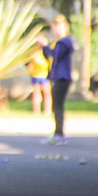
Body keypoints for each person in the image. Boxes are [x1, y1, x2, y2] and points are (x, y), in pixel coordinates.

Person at [39, 14, 74, 145]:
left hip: (62, 77)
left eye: (58, 26)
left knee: (58, 106)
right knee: (57, 106)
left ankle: (59, 134)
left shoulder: (64, 42)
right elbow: (50, 56)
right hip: (59, 77)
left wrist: (45, 46)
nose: (55, 29)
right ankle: (58, 133)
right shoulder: (61, 42)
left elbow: (54, 55)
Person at [27, 41, 52, 116]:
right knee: (47, 94)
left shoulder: (34, 55)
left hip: (36, 76)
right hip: (44, 75)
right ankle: (47, 111)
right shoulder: (47, 53)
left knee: (36, 94)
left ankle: (36, 111)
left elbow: (30, 66)